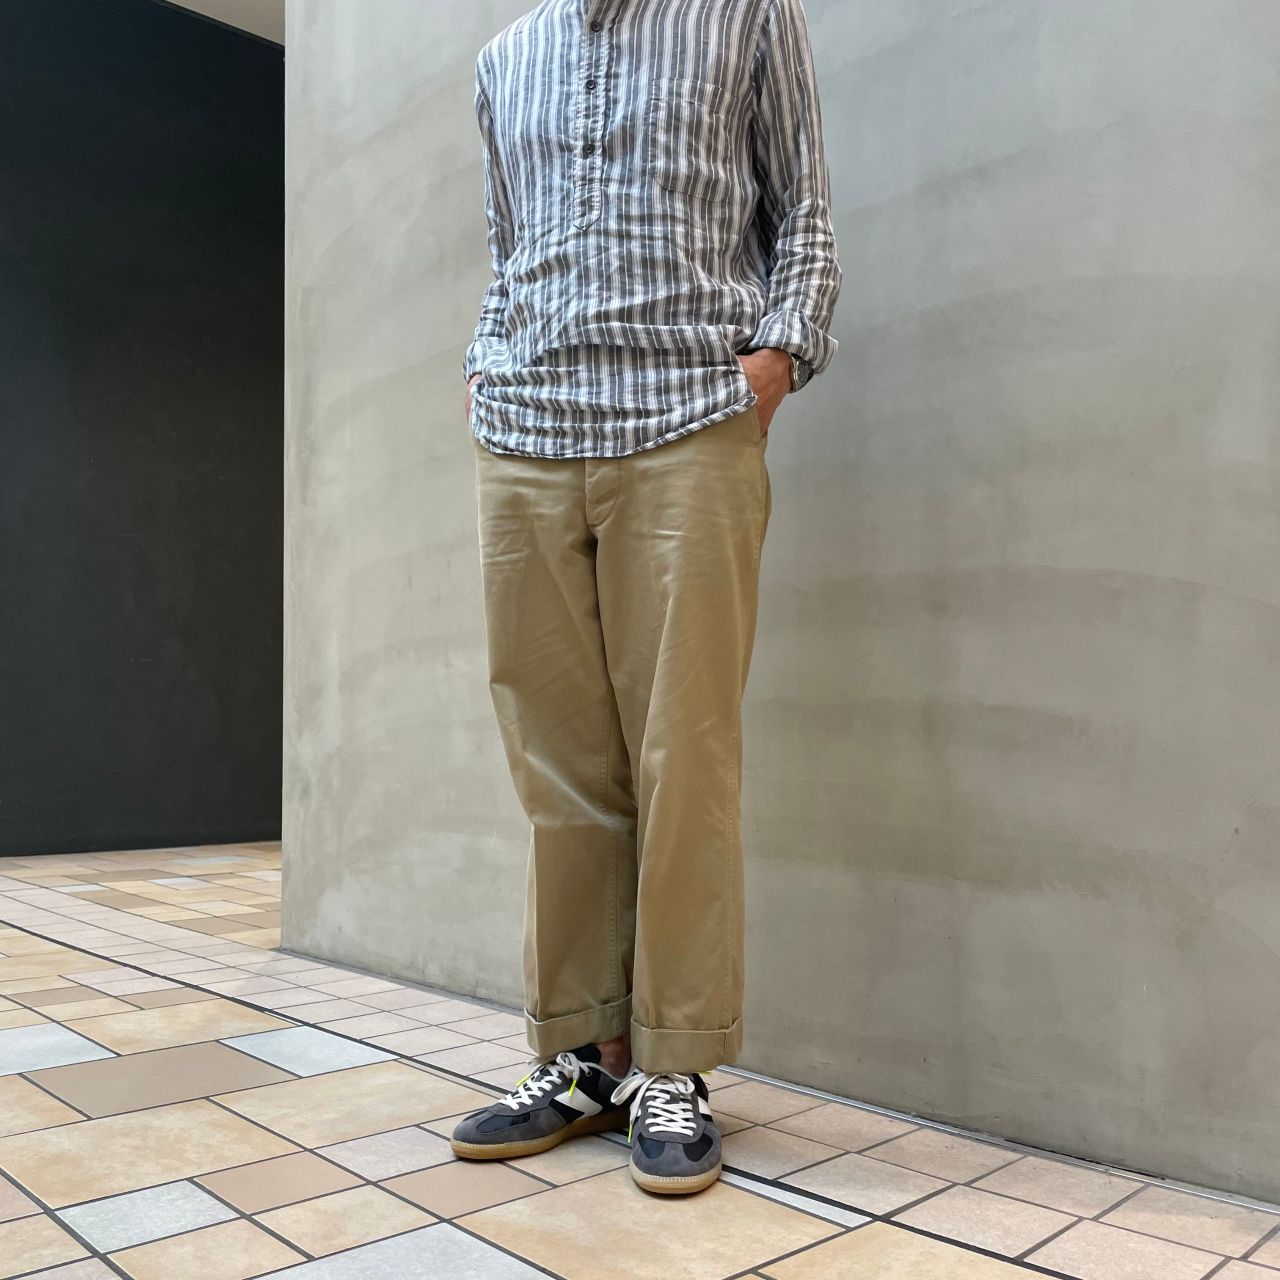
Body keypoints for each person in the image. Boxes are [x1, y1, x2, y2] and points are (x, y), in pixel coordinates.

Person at [451, 0, 841, 1196]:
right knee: (557, 765)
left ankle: (673, 1062)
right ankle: (582, 1053)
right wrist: (484, 363)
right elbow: (507, 245)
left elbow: (802, 214)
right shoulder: (502, 60)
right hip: (525, 432)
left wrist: (776, 359)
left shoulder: (743, 14)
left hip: (686, 422)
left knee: (684, 753)